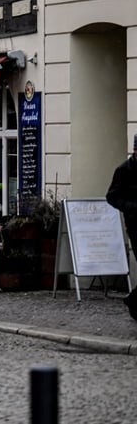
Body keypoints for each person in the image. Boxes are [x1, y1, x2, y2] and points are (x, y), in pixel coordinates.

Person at [106, 133, 137, 320]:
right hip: (135, 225)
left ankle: (133, 300)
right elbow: (111, 196)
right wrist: (132, 208)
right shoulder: (124, 170)